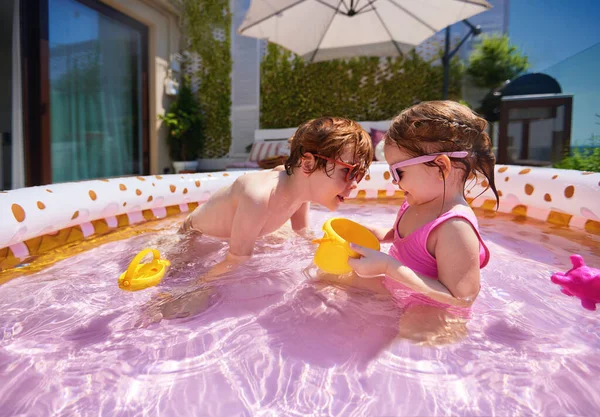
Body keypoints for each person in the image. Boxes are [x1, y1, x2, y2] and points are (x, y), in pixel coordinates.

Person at [180, 116, 374, 280]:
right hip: (193, 235)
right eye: (349, 172)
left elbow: (302, 235)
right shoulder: (258, 198)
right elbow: (235, 261)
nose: (356, 183)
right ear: (308, 165)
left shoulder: (301, 190)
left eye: (360, 173)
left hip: (229, 234)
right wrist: (194, 291)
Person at [348, 100, 498, 308]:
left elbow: (462, 299)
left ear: (440, 167)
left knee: (415, 330)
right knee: (329, 278)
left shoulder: (454, 227)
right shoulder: (415, 201)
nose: (394, 181)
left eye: (398, 172)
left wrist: (389, 267)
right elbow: (405, 240)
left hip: (432, 309)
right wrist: (374, 234)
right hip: (399, 289)